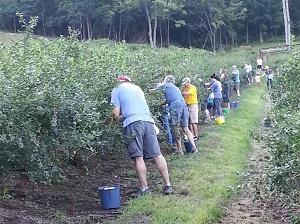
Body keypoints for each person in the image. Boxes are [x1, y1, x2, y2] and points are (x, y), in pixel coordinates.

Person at [110, 75, 172, 197]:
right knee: (157, 154)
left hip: (133, 123)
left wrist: (113, 119)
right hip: (148, 121)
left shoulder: (116, 89)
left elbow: (116, 114)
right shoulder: (137, 88)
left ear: (118, 82)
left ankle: (144, 189)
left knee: (138, 157)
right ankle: (168, 184)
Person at [154, 75, 198, 155]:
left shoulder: (166, 85)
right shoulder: (175, 88)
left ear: (166, 81)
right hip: (183, 105)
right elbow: (167, 100)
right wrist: (158, 104)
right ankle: (194, 148)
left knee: (175, 127)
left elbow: (154, 91)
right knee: (185, 128)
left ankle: (180, 150)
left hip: (176, 106)